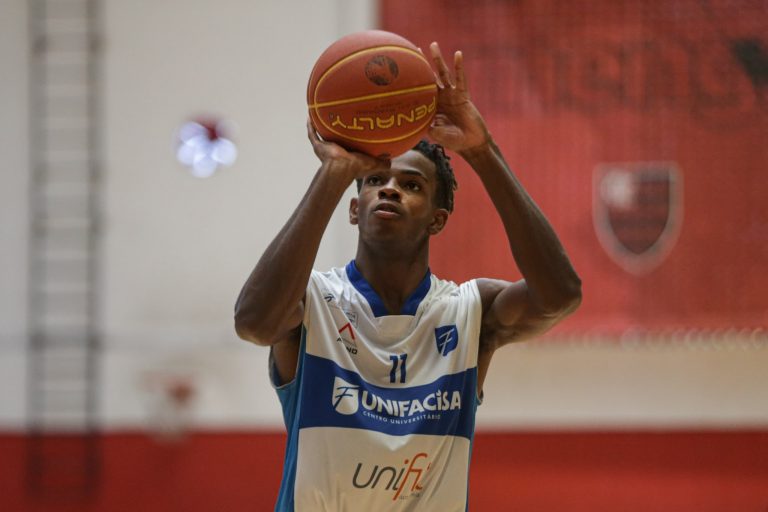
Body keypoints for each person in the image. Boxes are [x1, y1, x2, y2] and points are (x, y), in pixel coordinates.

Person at [235, 42, 581, 512]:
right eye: (375, 181)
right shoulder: (312, 300)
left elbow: (560, 295)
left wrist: (482, 151)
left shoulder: (468, 312)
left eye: (411, 184)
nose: (390, 189)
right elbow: (253, 323)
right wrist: (333, 174)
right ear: (354, 210)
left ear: (438, 220)